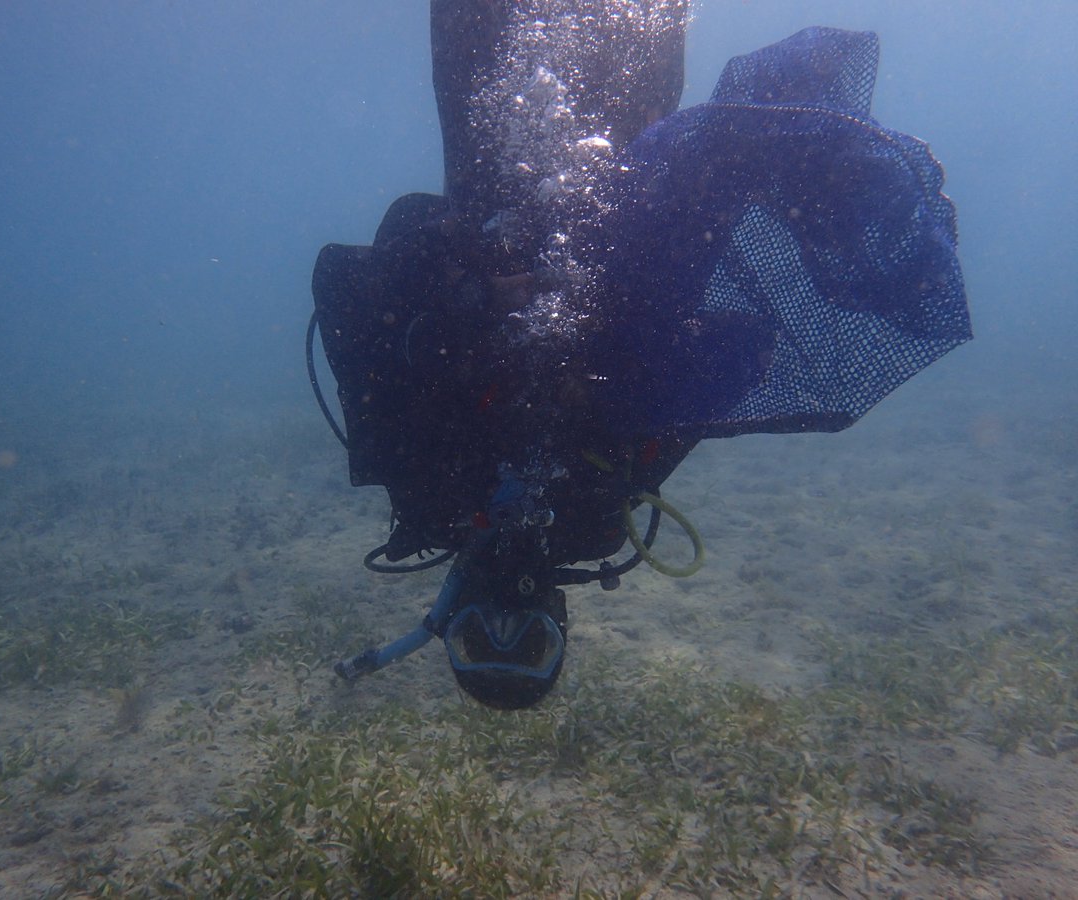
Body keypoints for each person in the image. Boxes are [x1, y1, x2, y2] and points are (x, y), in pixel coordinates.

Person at [310, 1, 970, 709]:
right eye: (530, 644)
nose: (503, 620)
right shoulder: (604, 516)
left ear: (446, 625)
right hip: (650, 185)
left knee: (488, 24)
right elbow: (743, 350)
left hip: (496, 168)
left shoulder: (418, 484)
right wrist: (615, 394)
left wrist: (467, 303)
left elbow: (345, 278)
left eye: (476, 638)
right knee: (638, 28)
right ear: (560, 626)